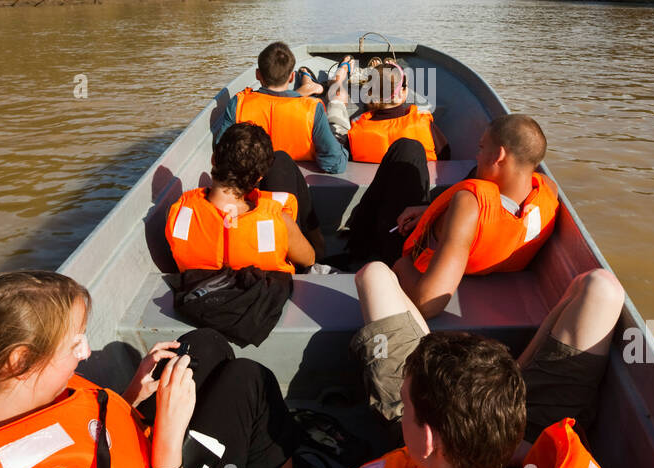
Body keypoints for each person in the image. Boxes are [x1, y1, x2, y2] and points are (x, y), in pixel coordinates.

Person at [0, 270, 297, 468]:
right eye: (74, 342)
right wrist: (166, 444)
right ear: (20, 361)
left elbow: (60, 438)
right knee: (250, 382)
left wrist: (130, 395)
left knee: (204, 344)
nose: (86, 352)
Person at [329, 264, 628, 468]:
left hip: (472, 438)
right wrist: (527, 452)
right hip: (506, 438)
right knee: (601, 287)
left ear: (429, 439)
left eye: (405, 406)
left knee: (375, 274)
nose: (402, 408)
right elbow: (600, 285)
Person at [348, 114, 559, 317]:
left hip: (407, 261)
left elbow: (427, 303)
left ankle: (353, 248)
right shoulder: (548, 189)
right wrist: (430, 212)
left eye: (481, 148)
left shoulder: (468, 205)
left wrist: (401, 265)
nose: (477, 155)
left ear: (499, 156)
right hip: (487, 263)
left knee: (407, 149)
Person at [166, 122, 316, 274]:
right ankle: (320, 241)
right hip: (264, 291)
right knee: (282, 159)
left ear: (213, 159)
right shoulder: (282, 223)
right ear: (259, 178)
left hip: (205, 290)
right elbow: (309, 260)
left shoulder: (177, 214)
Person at [216, 41, 348, 174]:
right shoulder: (313, 109)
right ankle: (338, 82)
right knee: (337, 103)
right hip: (305, 119)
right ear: (291, 77)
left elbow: (221, 152)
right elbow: (335, 163)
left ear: (257, 75)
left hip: (255, 167)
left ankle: (308, 86)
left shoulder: (238, 104)